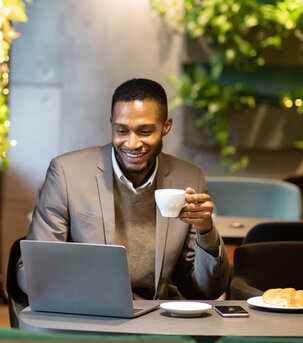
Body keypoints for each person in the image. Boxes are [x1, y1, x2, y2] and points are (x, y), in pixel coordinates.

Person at [18, 78, 230, 300]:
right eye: (121, 131)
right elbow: (30, 273)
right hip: (88, 312)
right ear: (111, 124)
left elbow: (209, 290)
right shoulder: (67, 173)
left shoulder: (189, 177)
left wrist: (206, 230)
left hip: (155, 316)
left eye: (145, 131)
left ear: (166, 126)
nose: (132, 143)